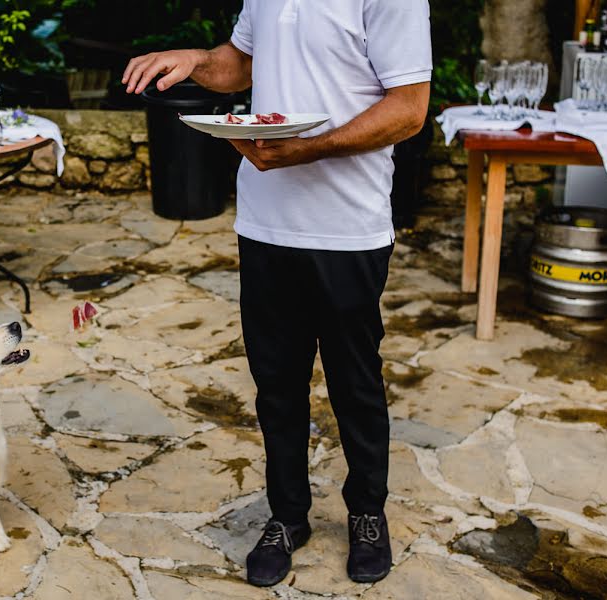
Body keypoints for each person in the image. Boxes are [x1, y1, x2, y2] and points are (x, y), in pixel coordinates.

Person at [122, 0, 432, 588]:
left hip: (348, 225)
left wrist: (309, 147)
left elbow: (409, 111)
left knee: (355, 382)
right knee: (276, 384)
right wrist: (192, 60)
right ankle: (288, 517)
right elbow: (239, 64)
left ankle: (367, 512)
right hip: (266, 221)